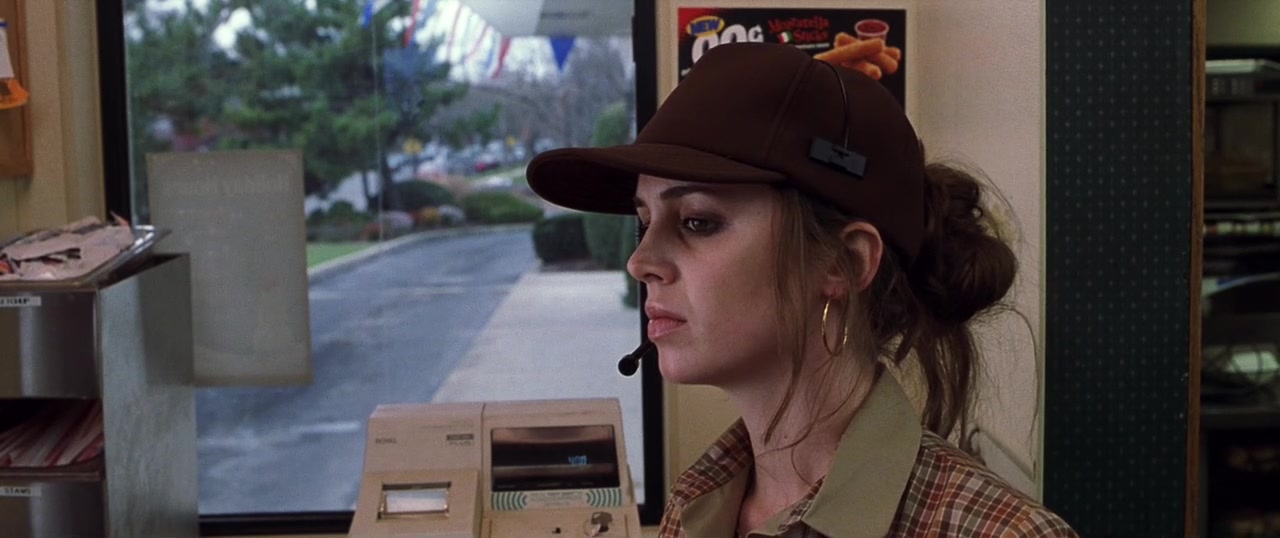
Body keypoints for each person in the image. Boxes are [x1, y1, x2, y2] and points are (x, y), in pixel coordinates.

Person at [526, 42, 1076, 538]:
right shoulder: (695, 505)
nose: (639, 262)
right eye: (644, 223)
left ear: (844, 262)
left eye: (696, 222)